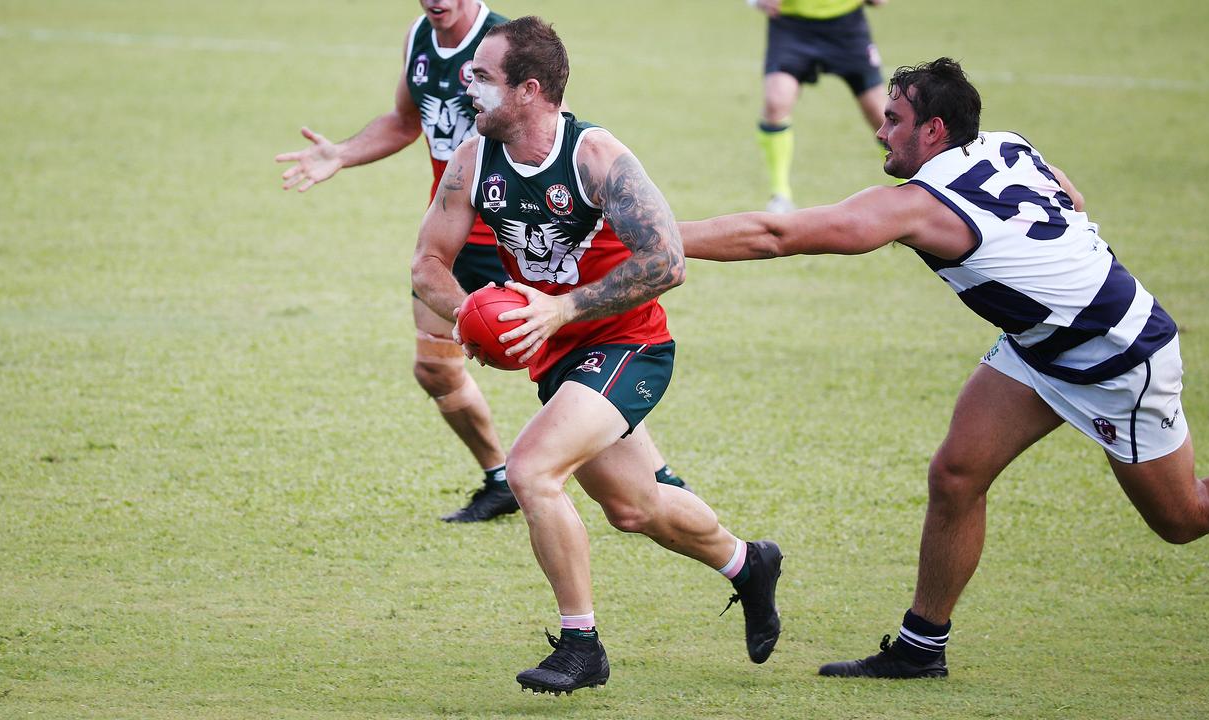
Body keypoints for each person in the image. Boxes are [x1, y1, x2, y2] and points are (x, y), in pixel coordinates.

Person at [680, 57, 1209, 678]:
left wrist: (657, 235)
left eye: (894, 120)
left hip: (1118, 358)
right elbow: (1072, 198)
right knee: (957, 474)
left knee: (1188, 518)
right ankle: (921, 650)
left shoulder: (921, 206)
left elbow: (775, 235)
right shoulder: (1005, 144)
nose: (881, 132)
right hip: (1040, 344)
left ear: (934, 130)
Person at [411, 16, 782, 694]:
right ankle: (747, 563)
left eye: (483, 78)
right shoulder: (473, 159)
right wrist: (472, 314)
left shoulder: (596, 156)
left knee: (529, 470)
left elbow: (667, 260)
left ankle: (582, 645)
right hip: (558, 359)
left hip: (627, 343)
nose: (468, 87)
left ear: (529, 90)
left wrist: (561, 309)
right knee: (635, 509)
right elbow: (427, 263)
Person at [275, 1, 688, 523]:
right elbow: (405, 123)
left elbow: (549, 135)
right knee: (434, 366)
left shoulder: (506, 46)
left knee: (578, 344)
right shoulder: (418, 41)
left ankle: (656, 475)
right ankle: (501, 477)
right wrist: (342, 153)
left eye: (482, 80)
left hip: (514, 231)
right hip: (455, 219)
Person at [749, 0, 890, 213]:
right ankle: (780, 196)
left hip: (847, 24)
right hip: (791, 26)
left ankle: (909, 188)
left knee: (882, 114)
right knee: (776, 100)